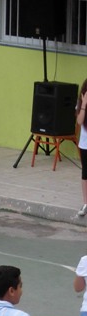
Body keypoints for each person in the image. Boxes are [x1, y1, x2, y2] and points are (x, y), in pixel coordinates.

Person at [76, 78, 87, 217]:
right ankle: (85, 203)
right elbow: (79, 121)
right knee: (85, 173)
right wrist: (84, 104)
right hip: (85, 144)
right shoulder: (81, 104)